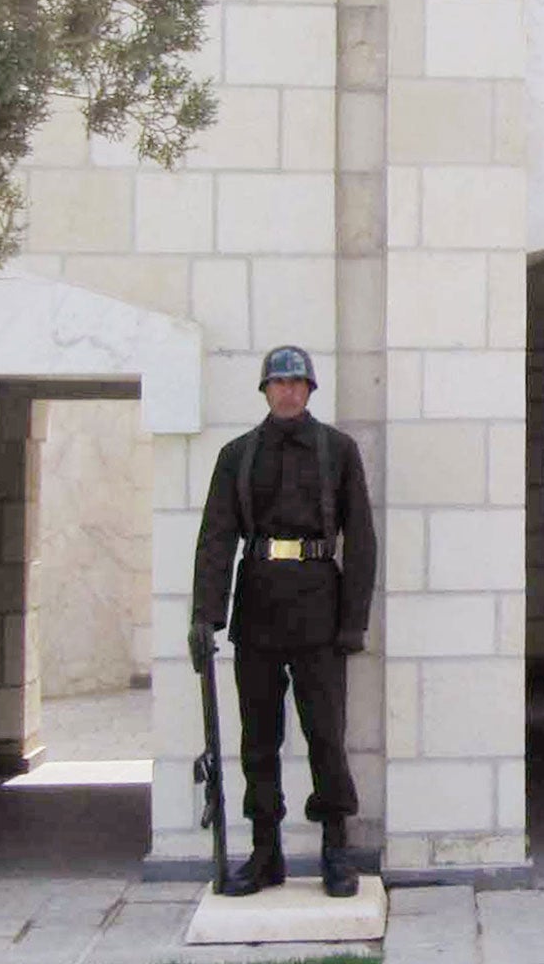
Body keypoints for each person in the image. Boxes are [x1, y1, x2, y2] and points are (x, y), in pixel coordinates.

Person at [189, 345, 377, 899]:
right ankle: (266, 851)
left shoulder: (337, 450)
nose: (288, 391)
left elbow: (361, 539)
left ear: (310, 390)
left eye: (297, 383)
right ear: (265, 390)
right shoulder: (237, 454)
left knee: (326, 734)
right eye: (279, 383)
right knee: (258, 739)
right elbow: (217, 538)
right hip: (259, 609)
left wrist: (353, 621)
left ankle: (335, 849)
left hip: (320, 606)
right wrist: (206, 615)